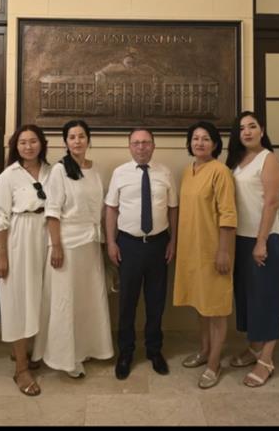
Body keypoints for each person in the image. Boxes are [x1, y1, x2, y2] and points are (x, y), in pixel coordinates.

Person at [32, 120, 113, 378]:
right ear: (65, 142)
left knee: (88, 299)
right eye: (72, 137)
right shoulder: (60, 170)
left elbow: (100, 209)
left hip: (91, 243)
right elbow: (52, 211)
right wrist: (56, 246)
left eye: (81, 136)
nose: (77, 141)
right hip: (67, 244)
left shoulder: (95, 169)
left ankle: (86, 348)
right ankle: (66, 357)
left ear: (88, 139)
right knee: (65, 301)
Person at [105, 128, 178, 380]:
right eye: (136, 143)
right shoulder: (119, 173)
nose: (141, 147)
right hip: (128, 245)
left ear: (154, 146)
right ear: (129, 146)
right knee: (127, 302)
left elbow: (173, 209)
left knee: (156, 301)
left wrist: (174, 241)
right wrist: (111, 242)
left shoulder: (165, 173)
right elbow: (111, 209)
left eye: (146, 142)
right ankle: (125, 352)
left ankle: (154, 350)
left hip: (158, 244)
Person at [173, 121, 237, 389]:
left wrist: (223, 251)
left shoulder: (220, 172)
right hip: (192, 250)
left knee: (217, 309)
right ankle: (204, 350)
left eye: (206, 139)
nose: (199, 143)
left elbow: (228, 214)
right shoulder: (188, 171)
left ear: (215, 144)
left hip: (214, 251)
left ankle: (214, 364)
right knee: (201, 305)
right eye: (195, 138)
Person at [0, 124, 51, 396]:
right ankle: (21, 370)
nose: (28, 146)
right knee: (18, 300)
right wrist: (1, 255)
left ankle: (29, 351)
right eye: (23, 142)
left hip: (47, 236)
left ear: (42, 144)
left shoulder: (53, 172)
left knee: (41, 298)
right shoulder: (8, 176)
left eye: (33, 141)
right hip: (19, 239)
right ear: (16, 146)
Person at [226, 111, 279, 387]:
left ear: (262, 130)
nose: (247, 131)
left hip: (263, 239)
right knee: (248, 297)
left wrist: (261, 241)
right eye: (242, 128)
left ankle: (267, 359)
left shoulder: (267, 158)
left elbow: (272, 202)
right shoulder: (237, 161)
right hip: (240, 238)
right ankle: (255, 347)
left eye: (252, 126)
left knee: (265, 298)